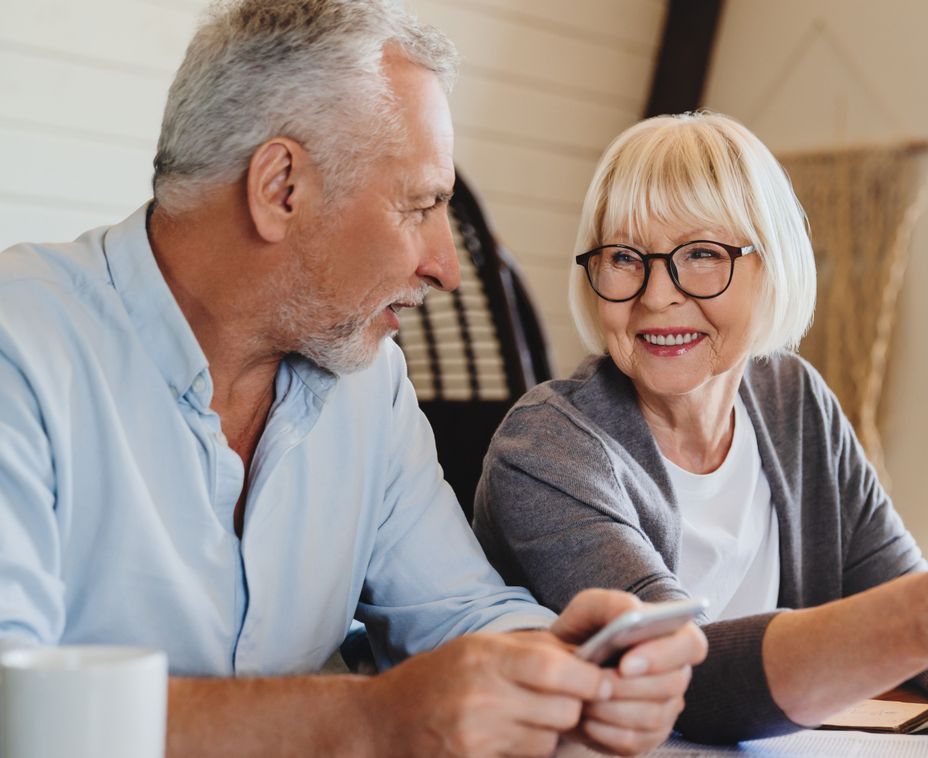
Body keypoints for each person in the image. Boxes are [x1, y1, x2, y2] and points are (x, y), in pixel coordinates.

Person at [0, 2, 705, 756]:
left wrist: (564, 672)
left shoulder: (368, 383)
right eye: (421, 206)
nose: (447, 268)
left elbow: (460, 612)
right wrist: (366, 718)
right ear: (281, 188)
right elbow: (11, 708)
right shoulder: (21, 348)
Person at [472, 111, 928, 743]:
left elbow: (898, 590)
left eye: (701, 254)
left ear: (770, 267)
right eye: (623, 257)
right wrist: (926, 621)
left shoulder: (795, 400)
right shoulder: (544, 450)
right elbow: (681, 679)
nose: (657, 296)